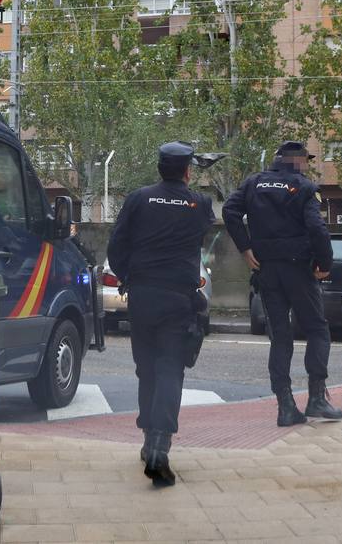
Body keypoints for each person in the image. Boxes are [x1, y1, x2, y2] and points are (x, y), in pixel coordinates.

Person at [106, 141, 214, 487]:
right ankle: (159, 448)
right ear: (187, 171)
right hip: (178, 299)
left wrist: (127, 277)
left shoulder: (138, 199)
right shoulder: (199, 204)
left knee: (147, 369)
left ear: (159, 168)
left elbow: (116, 244)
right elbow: (201, 236)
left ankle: (147, 438)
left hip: (143, 296)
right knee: (170, 369)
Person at [222, 141, 342, 427]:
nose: (308, 165)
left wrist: (245, 248)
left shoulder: (254, 183)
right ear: (298, 161)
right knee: (316, 329)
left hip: (266, 270)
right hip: (298, 270)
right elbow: (316, 228)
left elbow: (229, 210)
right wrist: (324, 264)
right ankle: (316, 398)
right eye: (307, 161)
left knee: (280, 336)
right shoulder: (304, 187)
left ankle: (286, 406)